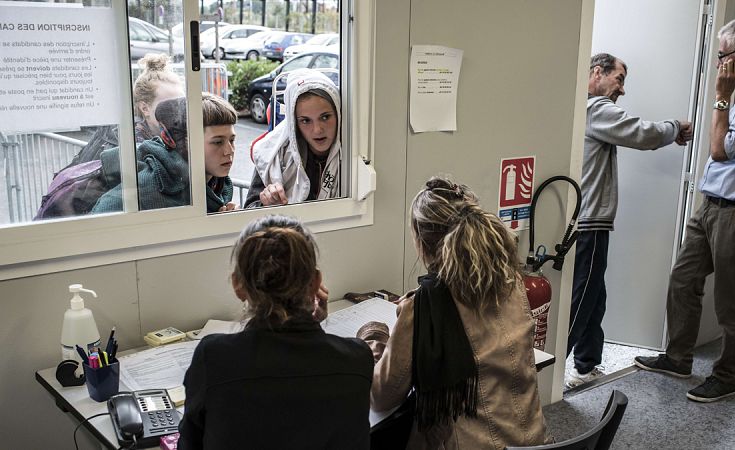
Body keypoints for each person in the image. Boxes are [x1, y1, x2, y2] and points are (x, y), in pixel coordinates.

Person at [635, 18, 735, 403]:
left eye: (723, 55)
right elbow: (719, 142)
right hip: (711, 204)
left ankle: (726, 376)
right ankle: (678, 358)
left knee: (730, 300)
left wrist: (721, 97)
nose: (719, 63)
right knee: (683, 279)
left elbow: (724, 150)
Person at [364, 177, 550, 448]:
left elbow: (381, 397)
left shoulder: (423, 308)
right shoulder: (511, 283)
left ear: (421, 242)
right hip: (536, 443)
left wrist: (375, 340)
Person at [178, 215, 374, 449]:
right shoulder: (356, 359)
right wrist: (311, 326)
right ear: (315, 282)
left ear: (238, 285)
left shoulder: (213, 358)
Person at [565, 52, 694, 389]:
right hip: (589, 223)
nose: (622, 89)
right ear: (597, 72)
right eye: (619, 79)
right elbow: (642, 133)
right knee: (581, 300)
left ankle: (585, 367)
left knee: (594, 296)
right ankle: (544, 376)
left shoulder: (578, 108)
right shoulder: (596, 108)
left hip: (587, 221)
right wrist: (674, 128)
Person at [92, 93, 238, 213]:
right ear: (187, 143)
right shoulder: (147, 188)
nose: (229, 151)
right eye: (217, 142)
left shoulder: (218, 184)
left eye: (232, 140)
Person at [245, 69, 341, 207]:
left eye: (325, 117)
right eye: (305, 121)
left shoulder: (355, 152)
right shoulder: (274, 154)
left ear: (338, 113)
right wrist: (266, 205)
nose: (317, 130)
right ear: (293, 122)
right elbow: (249, 208)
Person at [133, 53, 184, 144]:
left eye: (182, 104)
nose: (178, 114)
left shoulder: (187, 135)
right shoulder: (133, 144)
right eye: (169, 107)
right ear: (145, 108)